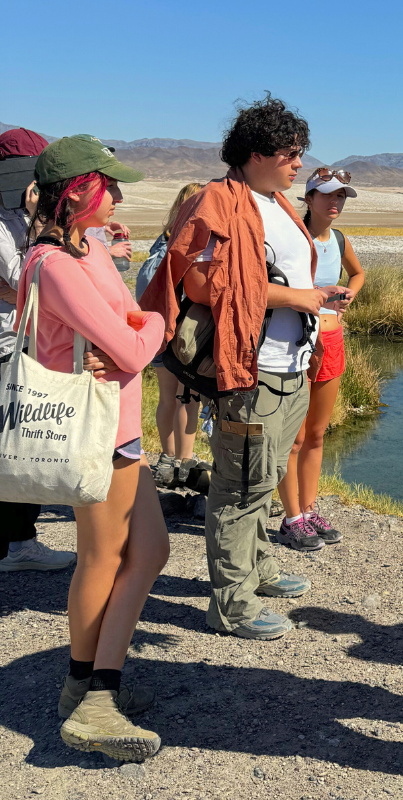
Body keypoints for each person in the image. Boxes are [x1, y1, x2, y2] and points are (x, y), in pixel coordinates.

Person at [141, 95, 341, 640]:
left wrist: (310, 300)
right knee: (238, 485)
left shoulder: (273, 201)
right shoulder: (219, 201)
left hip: (290, 365)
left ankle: (257, 569)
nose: (299, 163)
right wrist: (298, 298)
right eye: (290, 152)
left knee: (267, 474)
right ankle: (229, 604)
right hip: (249, 369)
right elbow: (199, 282)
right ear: (256, 153)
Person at [16, 135, 168, 761]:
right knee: (101, 558)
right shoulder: (52, 264)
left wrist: (139, 325)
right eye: (110, 186)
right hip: (94, 434)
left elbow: (130, 320)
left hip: (122, 429)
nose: (120, 196)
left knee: (151, 551)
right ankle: (91, 694)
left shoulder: (90, 249)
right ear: (78, 190)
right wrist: (152, 325)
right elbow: (135, 341)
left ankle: (91, 683)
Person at [0, 126, 76, 572]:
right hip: (6, 344)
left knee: (19, 443)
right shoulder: (8, 221)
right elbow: (30, 276)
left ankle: (18, 540)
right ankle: (18, 545)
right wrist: (42, 223)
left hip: (21, 340)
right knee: (13, 445)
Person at [276, 168, 363, 545]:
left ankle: (309, 508)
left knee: (316, 433)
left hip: (333, 340)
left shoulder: (340, 239)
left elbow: (358, 274)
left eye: (341, 196)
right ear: (308, 198)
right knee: (292, 438)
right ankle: (290, 515)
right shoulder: (295, 238)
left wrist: (349, 295)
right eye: (328, 195)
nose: (335, 203)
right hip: (299, 343)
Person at [133, 182, 205, 489]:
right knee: (186, 398)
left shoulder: (162, 245)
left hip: (164, 335)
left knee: (175, 397)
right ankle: (181, 462)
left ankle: (171, 459)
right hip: (178, 337)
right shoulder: (173, 250)